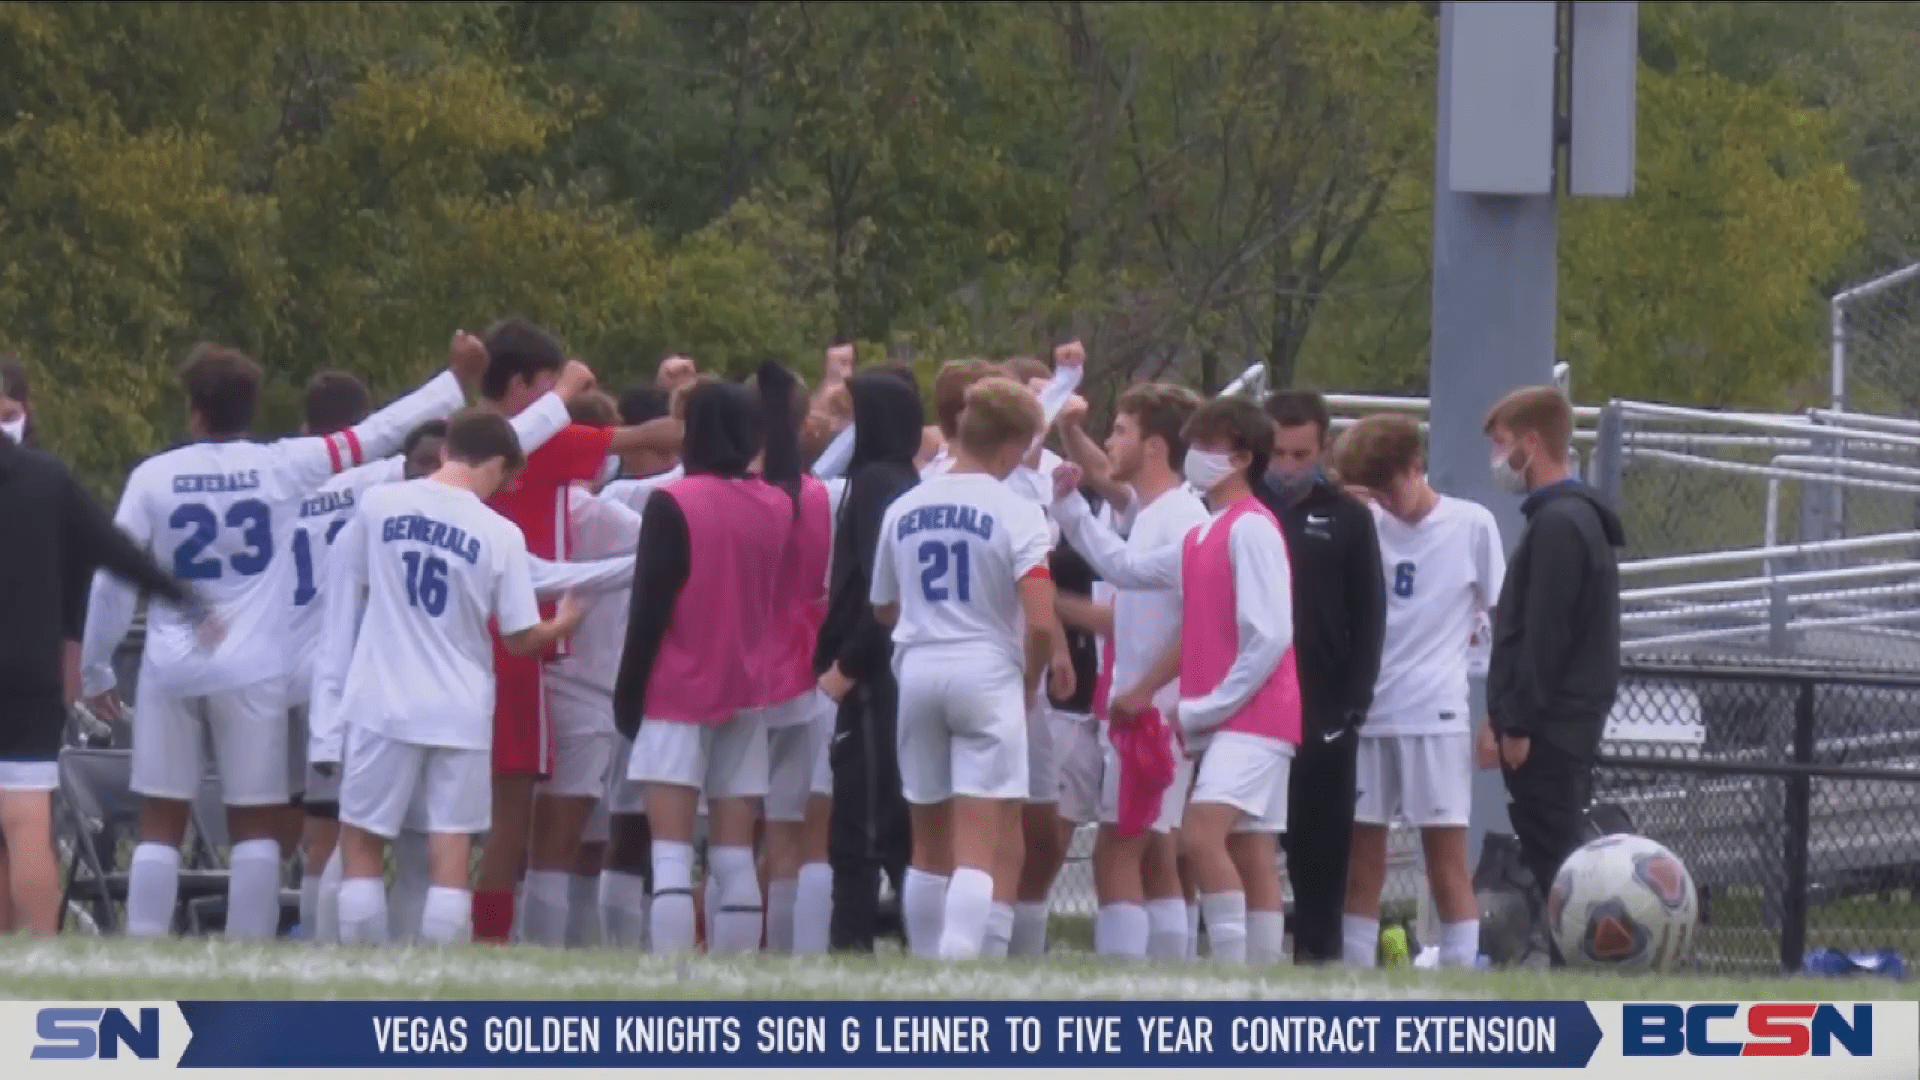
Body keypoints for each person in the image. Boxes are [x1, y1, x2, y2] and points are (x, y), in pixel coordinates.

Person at [78, 338, 482, 940]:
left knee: (161, 816)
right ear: (254, 408)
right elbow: (377, 431)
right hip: (253, 670)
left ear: (194, 409)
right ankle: (248, 952)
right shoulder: (282, 465)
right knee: (253, 823)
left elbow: (114, 575)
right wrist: (452, 382)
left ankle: (142, 946)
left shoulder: (153, 476)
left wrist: (98, 667)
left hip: (170, 666)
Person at [325, 409, 587, 946]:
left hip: (381, 698)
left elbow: (351, 588)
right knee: (451, 846)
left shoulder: (378, 505)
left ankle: (358, 974)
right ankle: (442, 973)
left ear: (447, 450)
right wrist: (561, 623)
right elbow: (518, 637)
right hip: (461, 709)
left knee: (364, 842)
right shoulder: (499, 533)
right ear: (494, 463)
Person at [471, 317, 677, 943]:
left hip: (461, 650)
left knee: (437, 832)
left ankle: (454, 950)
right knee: (516, 829)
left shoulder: (455, 442)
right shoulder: (540, 446)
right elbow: (652, 436)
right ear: (521, 384)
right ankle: (492, 954)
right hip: (520, 651)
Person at [1076, 396, 1299, 963]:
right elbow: (1126, 569)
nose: (1194, 457)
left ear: (1244, 458)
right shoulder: (1204, 534)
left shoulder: (1252, 529)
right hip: (1228, 718)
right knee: (1250, 848)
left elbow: (1269, 635)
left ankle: (1225, 979)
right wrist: (1067, 511)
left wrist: (1207, 707)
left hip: (1255, 717)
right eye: (1193, 444)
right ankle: (1261, 975)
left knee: (1201, 838)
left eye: (1209, 447)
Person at [872, 376, 1069, 960]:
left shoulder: (904, 505)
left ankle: (927, 963)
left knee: (928, 841)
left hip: (919, 668)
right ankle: (959, 974)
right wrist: (1029, 679)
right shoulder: (1017, 510)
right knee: (979, 839)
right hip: (985, 670)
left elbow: (884, 605)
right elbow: (1039, 620)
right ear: (1012, 445)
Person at [612, 367, 803, 956]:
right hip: (746, 691)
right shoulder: (777, 504)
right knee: (734, 852)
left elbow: (648, 609)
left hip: (675, 690)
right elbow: (788, 471)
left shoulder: (672, 502)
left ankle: (673, 979)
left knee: (670, 851)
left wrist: (628, 695)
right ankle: (737, 973)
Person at [0, 428, 213, 934]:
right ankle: (40, 952)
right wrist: (180, 596)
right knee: (26, 818)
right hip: (27, 669)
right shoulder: (44, 479)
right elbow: (112, 549)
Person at [1331, 414, 1504, 970]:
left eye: (1391, 486)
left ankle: (1459, 981)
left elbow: (1503, 622)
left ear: (1417, 466)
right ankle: (1354, 982)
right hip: (1369, 714)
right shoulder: (1363, 522)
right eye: (1372, 491)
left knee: (1445, 862)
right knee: (1362, 863)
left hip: (1436, 713)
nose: (1386, 501)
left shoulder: (1471, 525)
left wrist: (1498, 714)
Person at [1051, 383, 1209, 961]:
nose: (1111, 442)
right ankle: (1173, 973)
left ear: (1154, 446)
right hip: (1146, 702)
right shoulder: (1153, 510)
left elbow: (1146, 585)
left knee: (1117, 848)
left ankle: (1126, 986)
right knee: (1155, 848)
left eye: (1120, 430)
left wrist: (1143, 689)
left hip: (1152, 710)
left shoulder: (1182, 518)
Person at [1481, 385, 1624, 963]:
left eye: (1502, 444)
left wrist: (1518, 721)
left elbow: (1543, 635)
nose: (1497, 458)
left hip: (1553, 725)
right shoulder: (1565, 519)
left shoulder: (1561, 524)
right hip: (1562, 718)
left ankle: (1579, 965)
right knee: (1554, 852)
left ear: (1532, 443)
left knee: (1556, 857)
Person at [1254, 390, 1386, 964]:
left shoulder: (1350, 519)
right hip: (1251, 706)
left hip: (1323, 710)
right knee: (1246, 843)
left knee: (1323, 853)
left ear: (1323, 448)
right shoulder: (1242, 509)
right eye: (1278, 453)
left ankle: (1321, 961)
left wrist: (1353, 707)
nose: (1287, 466)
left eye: (1299, 453)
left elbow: (1370, 615)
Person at [520, 391, 643, 948]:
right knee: (564, 846)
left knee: (548, 844)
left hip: (531, 680)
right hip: (588, 689)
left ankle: (570, 958)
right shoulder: (612, 516)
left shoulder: (516, 506)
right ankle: (545, 962)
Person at [814, 366, 924, 952]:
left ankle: (856, 942)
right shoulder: (879, 478)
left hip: (874, 677)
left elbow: (884, 589)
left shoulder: (883, 483)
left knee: (872, 820)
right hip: (872, 672)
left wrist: (848, 664)